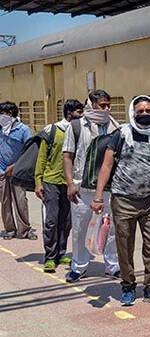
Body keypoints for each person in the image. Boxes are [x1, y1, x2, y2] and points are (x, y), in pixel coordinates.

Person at [91, 95, 150, 306]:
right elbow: (107, 165)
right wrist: (98, 196)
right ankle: (128, 286)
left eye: (149, 111)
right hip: (123, 200)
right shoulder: (121, 134)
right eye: (140, 111)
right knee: (124, 245)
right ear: (133, 113)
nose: (145, 114)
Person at [63, 90, 120, 283]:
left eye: (108, 105)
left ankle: (112, 265)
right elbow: (68, 155)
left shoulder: (115, 127)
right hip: (82, 189)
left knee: (110, 228)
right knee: (80, 228)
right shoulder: (77, 126)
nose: (106, 109)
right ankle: (79, 266)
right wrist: (70, 183)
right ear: (91, 105)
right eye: (102, 105)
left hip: (109, 188)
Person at [35, 99, 83, 272]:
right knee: (51, 220)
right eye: (79, 112)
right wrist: (38, 181)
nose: (82, 115)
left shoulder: (79, 131)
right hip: (51, 182)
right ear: (69, 114)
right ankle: (49, 256)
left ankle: (61, 253)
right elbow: (41, 158)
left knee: (67, 221)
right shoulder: (53, 131)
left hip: (70, 184)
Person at [0, 101, 35, 240]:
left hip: (17, 171)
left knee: (20, 200)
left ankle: (25, 229)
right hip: (2, 171)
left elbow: (29, 151)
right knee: (5, 201)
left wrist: (14, 166)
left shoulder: (23, 130)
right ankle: (10, 229)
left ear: (9, 114)